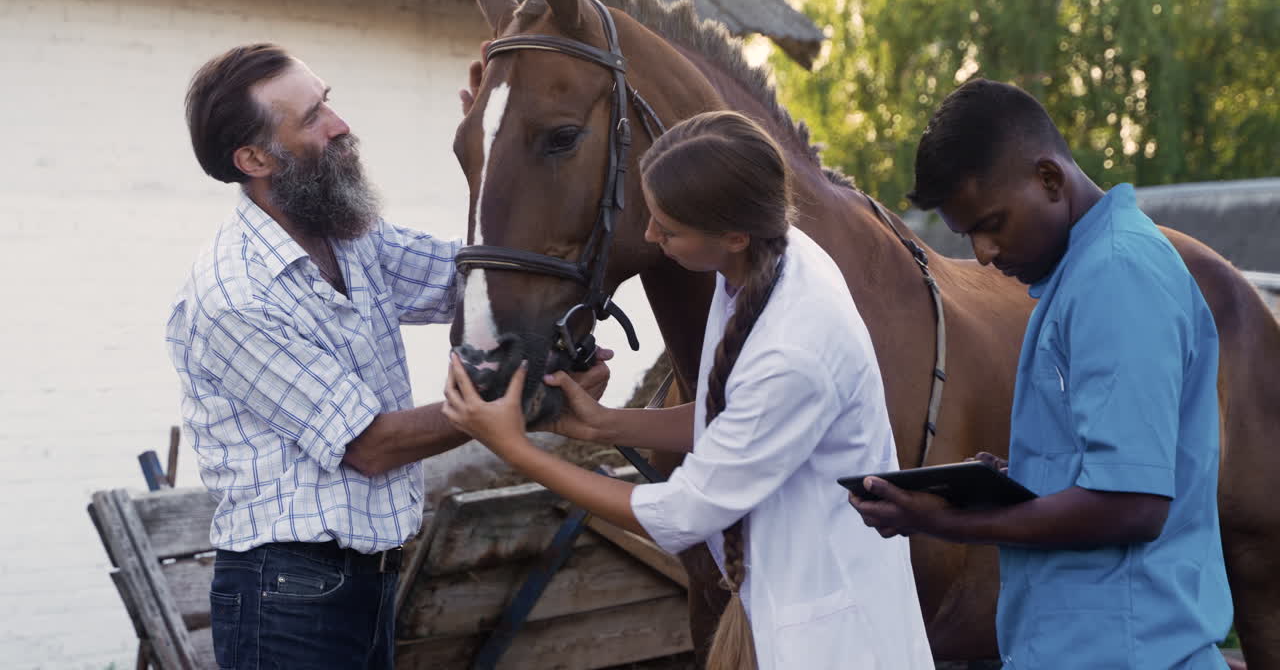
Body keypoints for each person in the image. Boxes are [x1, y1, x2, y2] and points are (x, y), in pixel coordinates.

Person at [165, 43, 608, 669]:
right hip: (287, 594)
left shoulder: (347, 236)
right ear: (254, 157)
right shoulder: (235, 295)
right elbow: (369, 445)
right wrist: (518, 400)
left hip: (364, 576)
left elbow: (466, 278)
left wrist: (501, 147)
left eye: (328, 99)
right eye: (312, 116)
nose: (340, 123)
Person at [442, 110, 934, 669]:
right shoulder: (762, 260)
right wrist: (600, 424)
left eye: (668, 229)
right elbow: (735, 417)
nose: (651, 236)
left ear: (733, 235)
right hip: (780, 608)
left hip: (832, 640)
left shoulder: (795, 346)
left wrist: (517, 450)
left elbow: (680, 513)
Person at [848, 78, 1232, 669]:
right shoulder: (1077, 276)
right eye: (967, 234)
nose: (982, 253)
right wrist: (1011, 482)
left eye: (992, 223)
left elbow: (1133, 503)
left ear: (1049, 179)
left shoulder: (1117, 276)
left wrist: (949, 522)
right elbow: (1105, 469)